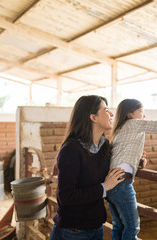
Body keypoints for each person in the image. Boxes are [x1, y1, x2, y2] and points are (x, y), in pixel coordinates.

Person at [50, 95, 126, 240]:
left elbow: (118, 163)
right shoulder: (71, 150)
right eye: (106, 110)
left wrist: (138, 162)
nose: (111, 114)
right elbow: (66, 197)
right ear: (93, 117)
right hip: (73, 230)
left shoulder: (104, 146)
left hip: (96, 227)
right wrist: (104, 187)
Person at [106, 99, 157, 240]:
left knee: (118, 226)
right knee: (132, 227)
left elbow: (123, 154)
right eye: (141, 111)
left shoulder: (119, 130)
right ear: (129, 114)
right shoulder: (133, 124)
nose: (143, 115)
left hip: (112, 185)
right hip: (122, 183)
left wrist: (137, 161)